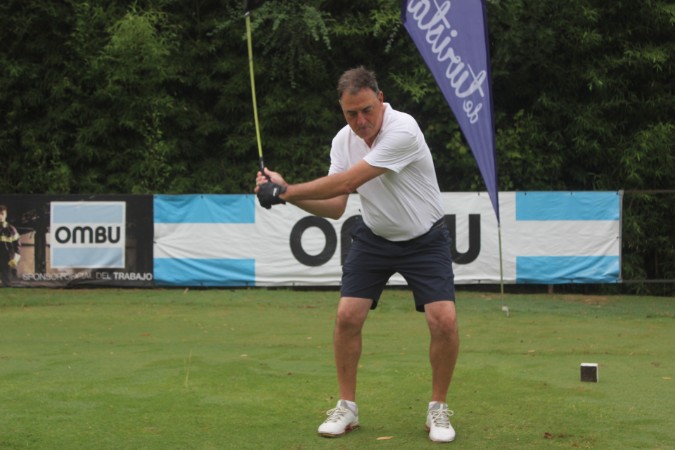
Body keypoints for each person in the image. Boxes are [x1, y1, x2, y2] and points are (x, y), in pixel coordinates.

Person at [255, 67, 459, 443]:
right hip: (374, 236)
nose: (360, 121)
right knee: (347, 316)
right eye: (351, 114)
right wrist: (286, 195)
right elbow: (335, 206)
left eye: (366, 110)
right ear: (342, 110)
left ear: (380, 99)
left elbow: (349, 181)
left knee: (443, 320)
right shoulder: (343, 140)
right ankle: (347, 407)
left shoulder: (403, 129)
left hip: (425, 238)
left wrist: (285, 190)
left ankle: (438, 408)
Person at [0, 205, 21, 287]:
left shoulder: (12, 230)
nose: (0, 216)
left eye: (2, 214)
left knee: (7, 284)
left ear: (6, 215)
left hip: (7, 260)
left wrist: (15, 259)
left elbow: (17, 247)